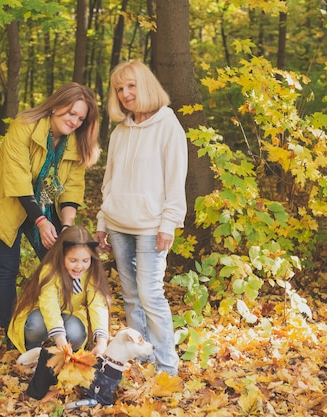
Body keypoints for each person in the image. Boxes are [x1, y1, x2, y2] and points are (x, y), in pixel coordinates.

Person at [0, 83, 100, 342]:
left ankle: (64, 325)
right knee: (7, 268)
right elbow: (18, 179)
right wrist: (41, 222)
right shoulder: (25, 125)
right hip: (5, 203)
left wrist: (65, 226)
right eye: (70, 113)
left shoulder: (76, 142)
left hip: (44, 203)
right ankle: (10, 332)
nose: (74, 121)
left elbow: (73, 187)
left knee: (61, 261)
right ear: (55, 107)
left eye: (80, 118)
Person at [95, 61, 188, 376]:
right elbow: (110, 181)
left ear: (145, 85)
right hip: (119, 225)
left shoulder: (168, 125)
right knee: (131, 297)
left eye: (131, 86)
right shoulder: (120, 131)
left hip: (151, 228)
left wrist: (168, 223)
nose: (124, 94)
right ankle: (142, 360)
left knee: (150, 294)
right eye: (119, 89)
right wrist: (102, 221)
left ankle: (167, 366)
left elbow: (176, 179)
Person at [7, 225, 110, 356]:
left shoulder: (91, 274)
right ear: (61, 256)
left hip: (72, 313)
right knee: (35, 326)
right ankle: (32, 351)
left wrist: (101, 340)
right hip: (42, 312)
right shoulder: (50, 271)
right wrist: (59, 338)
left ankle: (71, 354)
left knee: (75, 333)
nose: (79, 266)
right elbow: (49, 305)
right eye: (73, 260)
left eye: (85, 260)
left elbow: (98, 305)